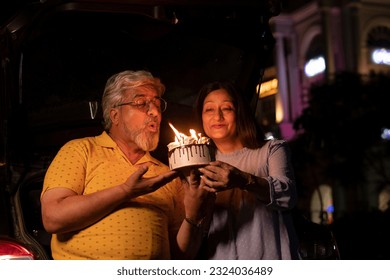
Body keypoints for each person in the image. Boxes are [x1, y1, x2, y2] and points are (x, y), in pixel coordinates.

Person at [40, 70, 213, 260]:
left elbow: (180, 257)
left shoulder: (167, 175)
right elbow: (53, 218)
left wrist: (194, 215)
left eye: (157, 103)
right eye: (141, 103)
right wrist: (125, 191)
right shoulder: (81, 150)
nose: (155, 112)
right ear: (115, 115)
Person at [194, 81, 301, 259]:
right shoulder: (199, 164)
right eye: (209, 110)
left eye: (226, 108)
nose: (217, 116)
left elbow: (287, 195)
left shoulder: (270, 150)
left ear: (240, 112)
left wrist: (243, 180)